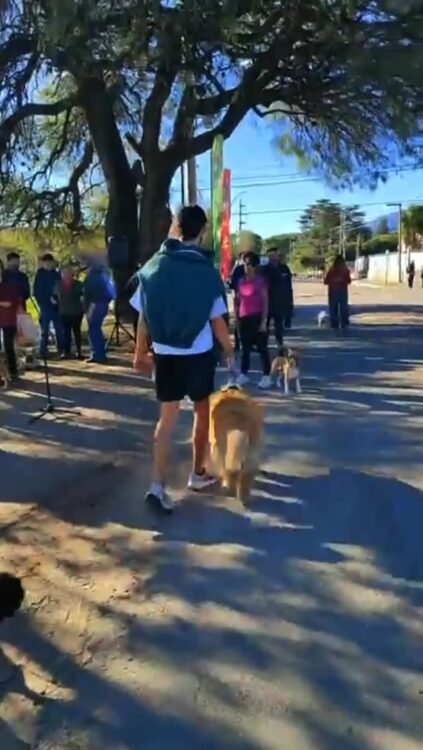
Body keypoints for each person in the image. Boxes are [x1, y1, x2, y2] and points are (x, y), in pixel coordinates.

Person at [133, 205, 233, 514]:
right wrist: (229, 350)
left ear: (176, 227)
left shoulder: (154, 266)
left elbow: (143, 316)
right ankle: (197, 474)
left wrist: (139, 353)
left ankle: (156, 485)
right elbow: (217, 322)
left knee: (166, 421)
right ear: (202, 231)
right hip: (198, 355)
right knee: (202, 413)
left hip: (165, 354)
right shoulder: (206, 272)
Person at [235, 251, 271, 389]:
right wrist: (237, 317)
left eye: (249, 264)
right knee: (245, 348)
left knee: (262, 348)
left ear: (255, 266)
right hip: (244, 318)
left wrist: (264, 322)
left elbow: (266, 302)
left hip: (257, 317)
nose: (246, 267)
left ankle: (266, 376)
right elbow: (238, 300)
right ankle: (244, 374)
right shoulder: (241, 281)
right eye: (245, 264)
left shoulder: (260, 281)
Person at [33, 253, 64, 358]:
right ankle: (43, 350)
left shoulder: (57, 275)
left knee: (59, 329)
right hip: (45, 307)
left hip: (56, 307)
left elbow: (61, 289)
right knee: (44, 330)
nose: (49, 265)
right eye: (47, 263)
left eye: (50, 263)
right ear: (43, 263)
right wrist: (42, 303)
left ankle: (61, 349)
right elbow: (36, 292)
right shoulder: (40, 275)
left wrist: (57, 299)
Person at [83, 263, 114, 364]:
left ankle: (98, 355)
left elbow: (89, 295)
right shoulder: (103, 277)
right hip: (103, 305)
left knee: (94, 330)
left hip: (94, 306)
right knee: (97, 329)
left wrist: (89, 309)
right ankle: (99, 353)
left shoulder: (90, 279)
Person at [263, 247, 294, 344]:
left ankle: (280, 344)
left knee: (279, 325)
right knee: (265, 325)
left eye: (275, 255)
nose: (273, 257)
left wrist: (289, 302)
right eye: (270, 255)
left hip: (280, 301)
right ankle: (263, 345)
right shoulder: (264, 270)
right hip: (267, 302)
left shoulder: (284, 268)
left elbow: (289, 286)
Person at [54, 263, 84, 359]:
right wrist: (55, 302)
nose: (66, 275)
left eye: (68, 272)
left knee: (77, 332)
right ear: (61, 274)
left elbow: (83, 297)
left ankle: (79, 351)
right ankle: (67, 352)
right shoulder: (58, 284)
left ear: (72, 274)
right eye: (64, 273)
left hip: (76, 312)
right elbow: (54, 297)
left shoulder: (78, 284)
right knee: (66, 333)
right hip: (64, 312)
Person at [0, 259, 21, 382]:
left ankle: (13, 372)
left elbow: (11, 303)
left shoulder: (10, 286)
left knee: (9, 347)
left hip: (8, 320)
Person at [324, 255, 351, 330]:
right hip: (342, 291)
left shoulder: (331, 270)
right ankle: (344, 323)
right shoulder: (345, 270)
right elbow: (349, 281)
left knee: (333, 308)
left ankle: (334, 324)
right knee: (343, 307)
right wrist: (341, 281)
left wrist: (333, 281)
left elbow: (326, 281)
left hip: (332, 291)